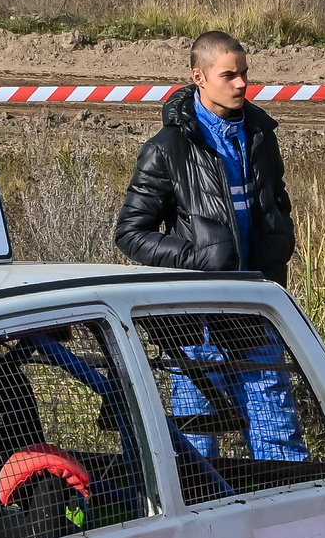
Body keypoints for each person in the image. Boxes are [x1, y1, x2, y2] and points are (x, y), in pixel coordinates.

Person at [113, 32, 302, 459]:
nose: (241, 85)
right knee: (196, 447)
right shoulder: (167, 149)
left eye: (245, 74)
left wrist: (279, 239)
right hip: (196, 318)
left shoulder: (260, 135)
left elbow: (276, 202)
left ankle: (284, 520)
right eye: (229, 75)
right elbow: (129, 233)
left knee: (279, 435)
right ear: (198, 77)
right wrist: (199, 258)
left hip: (255, 307)